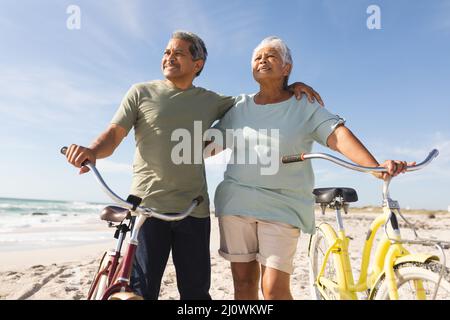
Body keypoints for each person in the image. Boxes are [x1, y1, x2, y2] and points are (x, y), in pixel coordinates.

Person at [64, 31, 322, 300]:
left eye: (178, 52)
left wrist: (289, 86)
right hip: (147, 208)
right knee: (142, 291)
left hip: (193, 211)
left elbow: (262, 98)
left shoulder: (213, 101)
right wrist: (92, 151)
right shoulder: (140, 92)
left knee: (196, 294)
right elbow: (114, 134)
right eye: (166, 52)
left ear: (197, 64)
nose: (169, 57)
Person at [207, 36, 414, 300]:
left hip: (283, 205)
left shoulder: (303, 104)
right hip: (237, 202)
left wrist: (374, 167)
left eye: (270, 56)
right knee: (243, 283)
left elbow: (337, 136)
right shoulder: (239, 106)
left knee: (273, 289)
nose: (262, 60)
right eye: (257, 57)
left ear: (286, 68)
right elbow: (211, 143)